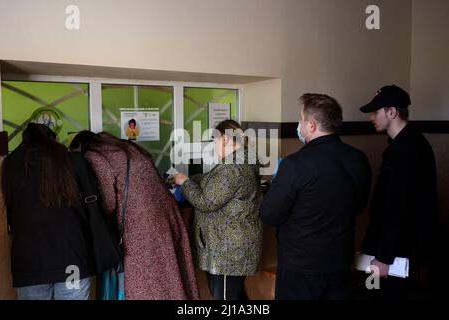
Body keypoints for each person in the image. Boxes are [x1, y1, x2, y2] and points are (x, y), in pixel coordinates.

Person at [260, 94, 372, 300]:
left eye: (301, 120)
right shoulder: (357, 158)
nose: (299, 125)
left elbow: (269, 214)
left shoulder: (294, 165)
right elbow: (359, 206)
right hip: (340, 261)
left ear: (311, 125)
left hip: (300, 266)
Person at [70, 131, 199, 300]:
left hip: (141, 227)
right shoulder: (127, 147)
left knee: (147, 283)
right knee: (172, 275)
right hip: (168, 215)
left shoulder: (96, 156)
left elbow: (108, 204)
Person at [359, 85, 438, 299]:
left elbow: (397, 206)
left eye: (376, 112)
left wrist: (383, 258)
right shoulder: (405, 144)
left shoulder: (405, 150)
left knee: (376, 293)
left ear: (392, 112)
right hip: (389, 248)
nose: (371, 117)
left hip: (392, 254)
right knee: (372, 290)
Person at [1, 123, 95, 300]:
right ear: (53, 140)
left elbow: (11, 214)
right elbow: (89, 207)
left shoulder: (11, 165)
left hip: (29, 265)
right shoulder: (72, 161)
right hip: (72, 261)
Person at [171, 119, 263, 300]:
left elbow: (206, 202)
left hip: (228, 250)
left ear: (224, 139)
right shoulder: (243, 159)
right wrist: (189, 178)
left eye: (214, 141)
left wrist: (185, 182)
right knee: (233, 295)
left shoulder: (232, 168)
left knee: (224, 297)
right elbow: (213, 180)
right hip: (233, 244)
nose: (214, 146)